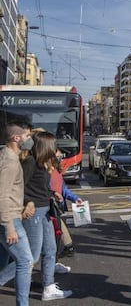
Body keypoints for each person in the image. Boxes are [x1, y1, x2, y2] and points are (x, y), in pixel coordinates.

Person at [21, 131, 72, 300]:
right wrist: (28, 201)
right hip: (34, 212)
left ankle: (48, 287)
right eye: (53, 144)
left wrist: (52, 193)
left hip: (45, 208)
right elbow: (19, 187)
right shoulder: (30, 163)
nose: (55, 147)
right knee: (31, 257)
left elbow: (38, 187)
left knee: (50, 249)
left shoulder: (42, 164)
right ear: (46, 146)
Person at [0, 121, 34, 306]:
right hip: (9, 220)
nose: (30, 140)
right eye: (27, 136)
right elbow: (2, 196)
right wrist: (9, 227)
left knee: (3, 262)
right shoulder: (10, 163)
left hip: (11, 215)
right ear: (16, 138)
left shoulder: (6, 156)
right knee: (26, 262)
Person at [50, 149, 83, 261]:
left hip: (54, 207)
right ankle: (67, 248)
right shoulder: (46, 171)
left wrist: (75, 198)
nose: (60, 158)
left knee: (55, 234)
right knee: (55, 232)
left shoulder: (56, 171)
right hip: (50, 207)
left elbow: (64, 189)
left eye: (60, 156)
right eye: (57, 156)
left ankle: (55, 261)